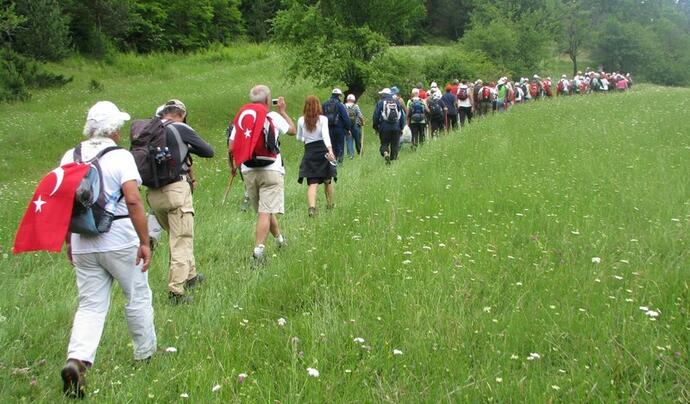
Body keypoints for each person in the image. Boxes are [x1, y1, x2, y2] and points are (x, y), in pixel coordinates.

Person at [60, 101, 156, 398]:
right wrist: (144, 240)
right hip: (119, 236)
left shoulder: (69, 156)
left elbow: (62, 201)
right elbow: (133, 200)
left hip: (83, 239)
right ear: (113, 129)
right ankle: (146, 354)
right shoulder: (120, 157)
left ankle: (78, 359)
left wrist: (68, 240)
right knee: (137, 295)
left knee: (90, 305)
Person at [145, 99, 214, 304]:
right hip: (176, 190)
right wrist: (187, 147)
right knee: (181, 239)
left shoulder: (150, 129)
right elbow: (208, 151)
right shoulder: (180, 128)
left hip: (153, 194)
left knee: (178, 235)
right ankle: (176, 291)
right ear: (182, 114)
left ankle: (191, 275)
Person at [228, 85, 296, 263]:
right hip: (271, 169)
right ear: (267, 100)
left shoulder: (244, 117)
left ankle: (280, 240)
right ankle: (258, 251)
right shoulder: (271, 116)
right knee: (265, 212)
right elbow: (292, 130)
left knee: (264, 210)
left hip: (249, 170)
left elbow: (231, 146)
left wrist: (233, 166)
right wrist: (282, 111)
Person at [297, 96, 337, 216]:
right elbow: (325, 135)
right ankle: (330, 205)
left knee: (312, 183)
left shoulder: (300, 120)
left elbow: (299, 137)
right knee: (327, 180)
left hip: (310, 151)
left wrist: (307, 139)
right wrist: (330, 150)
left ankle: (312, 208)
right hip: (323, 150)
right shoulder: (323, 119)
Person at [373, 88, 404, 164]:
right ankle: (393, 161)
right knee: (395, 145)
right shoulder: (396, 102)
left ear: (384, 94)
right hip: (396, 127)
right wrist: (401, 127)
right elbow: (402, 116)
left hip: (384, 127)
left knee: (384, 143)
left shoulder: (380, 102)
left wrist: (376, 127)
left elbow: (376, 116)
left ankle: (386, 153)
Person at [322, 88, 351, 163]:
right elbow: (346, 118)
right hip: (339, 129)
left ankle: (332, 162)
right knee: (340, 146)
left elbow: (321, 116)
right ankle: (339, 163)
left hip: (328, 129)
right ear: (339, 96)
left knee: (331, 146)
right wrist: (347, 128)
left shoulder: (324, 104)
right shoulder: (340, 105)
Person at [344, 94, 364, 158]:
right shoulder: (355, 106)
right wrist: (362, 122)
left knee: (349, 140)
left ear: (347, 100)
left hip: (347, 126)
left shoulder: (344, 106)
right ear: (354, 100)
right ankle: (360, 153)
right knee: (358, 140)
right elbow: (360, 116)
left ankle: (350, 155)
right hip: (356, 126)